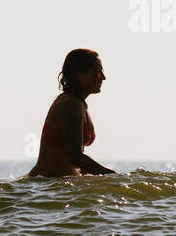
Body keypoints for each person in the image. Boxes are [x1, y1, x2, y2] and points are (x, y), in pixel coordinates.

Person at [26, 49, 116, 177]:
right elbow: (75, 157)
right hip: (48, 187)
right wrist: (113, 176)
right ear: (80, 74)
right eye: (97, 72)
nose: (103, 77)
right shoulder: (70, 105)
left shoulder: (79, 105)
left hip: (60, 187)